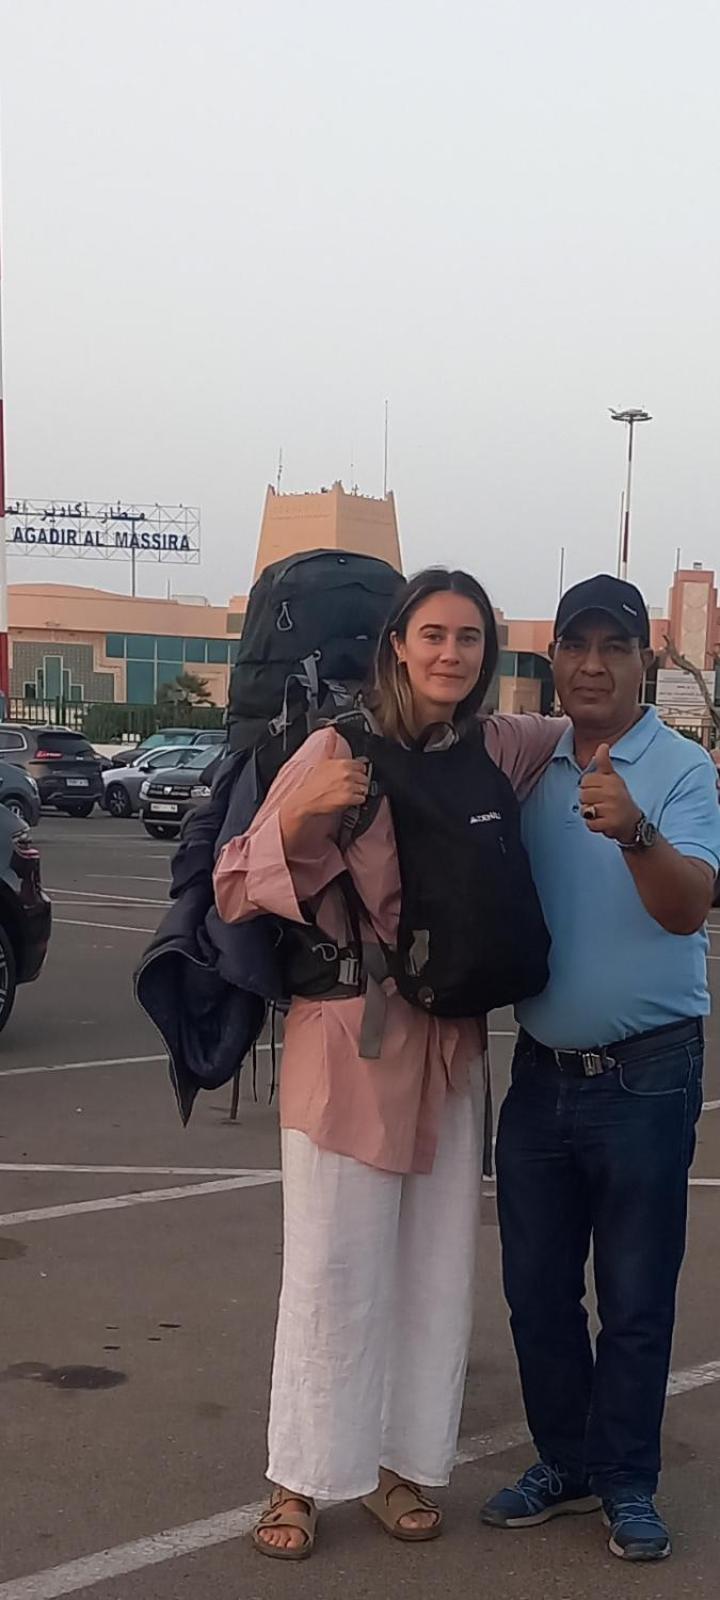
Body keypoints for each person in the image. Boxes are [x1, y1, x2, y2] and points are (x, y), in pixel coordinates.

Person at [214, 568, 562, 1561]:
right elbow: (235, 885)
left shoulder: (493, 746)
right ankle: (299, 1479)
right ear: (398, 642)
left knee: (434, 1270)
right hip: (349, 1045)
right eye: (435, 635)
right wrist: (297, 813)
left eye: (470, 638)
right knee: (333, 1268)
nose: (453, 654)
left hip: (450, 1048)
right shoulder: (337, 749)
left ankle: (404, 1464)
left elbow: (583, 728)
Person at [482, 574, 720, 1563]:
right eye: (573, 646)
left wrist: (636, 831)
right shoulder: (528, 760)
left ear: (645, 661)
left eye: (611, 647)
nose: (589, 663)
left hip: (649, 1072)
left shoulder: (682, 769)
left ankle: (626, 1477)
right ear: (553, 665)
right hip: (539, 1071)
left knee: (635, 1293)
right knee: (536, 1291)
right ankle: (567, 1461)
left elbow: (689, 904)